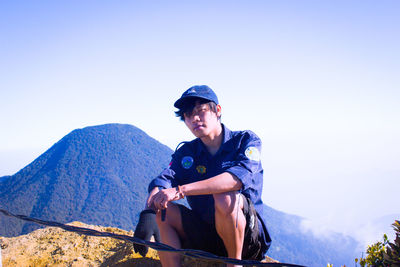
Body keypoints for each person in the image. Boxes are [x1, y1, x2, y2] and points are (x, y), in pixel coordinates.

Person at [133, 85, 271, 267]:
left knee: (225, 197)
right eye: (188, 115)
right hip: (207, 237)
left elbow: (236, 180)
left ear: (218, 110)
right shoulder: (188, 153)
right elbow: (164, 180)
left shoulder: (245, 141)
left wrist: (181, 190)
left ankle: (234, 265)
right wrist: (149, 211)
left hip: (247, 241)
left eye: (201, 111)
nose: (194, 118)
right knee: (163, 209)